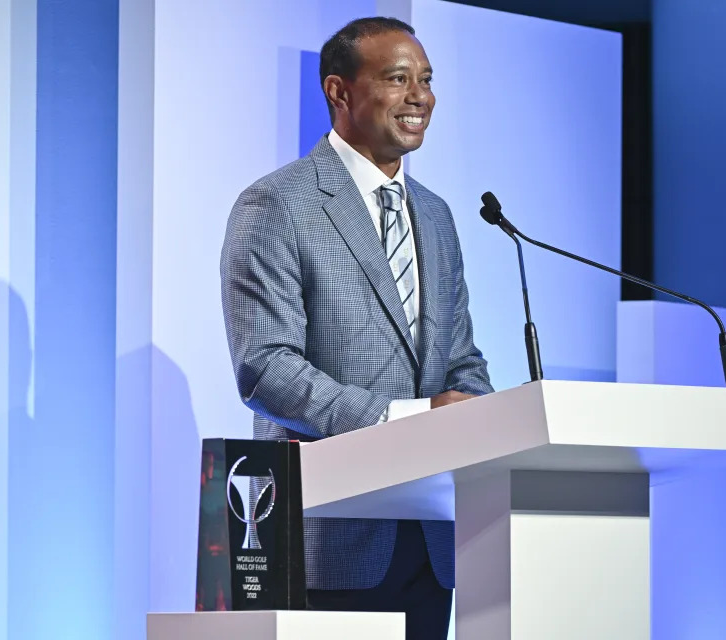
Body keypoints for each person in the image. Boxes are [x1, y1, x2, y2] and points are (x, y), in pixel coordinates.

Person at [220, 16, 493, 640]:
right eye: (398, 79)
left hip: (432, 543)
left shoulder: (437, 215)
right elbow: (266, 368)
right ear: (338, 92)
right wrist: (405, 420)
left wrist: (482, 422)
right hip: (331, 539)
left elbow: (460, 360)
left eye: (425, 79)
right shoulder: (278, 203)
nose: (419, 96)